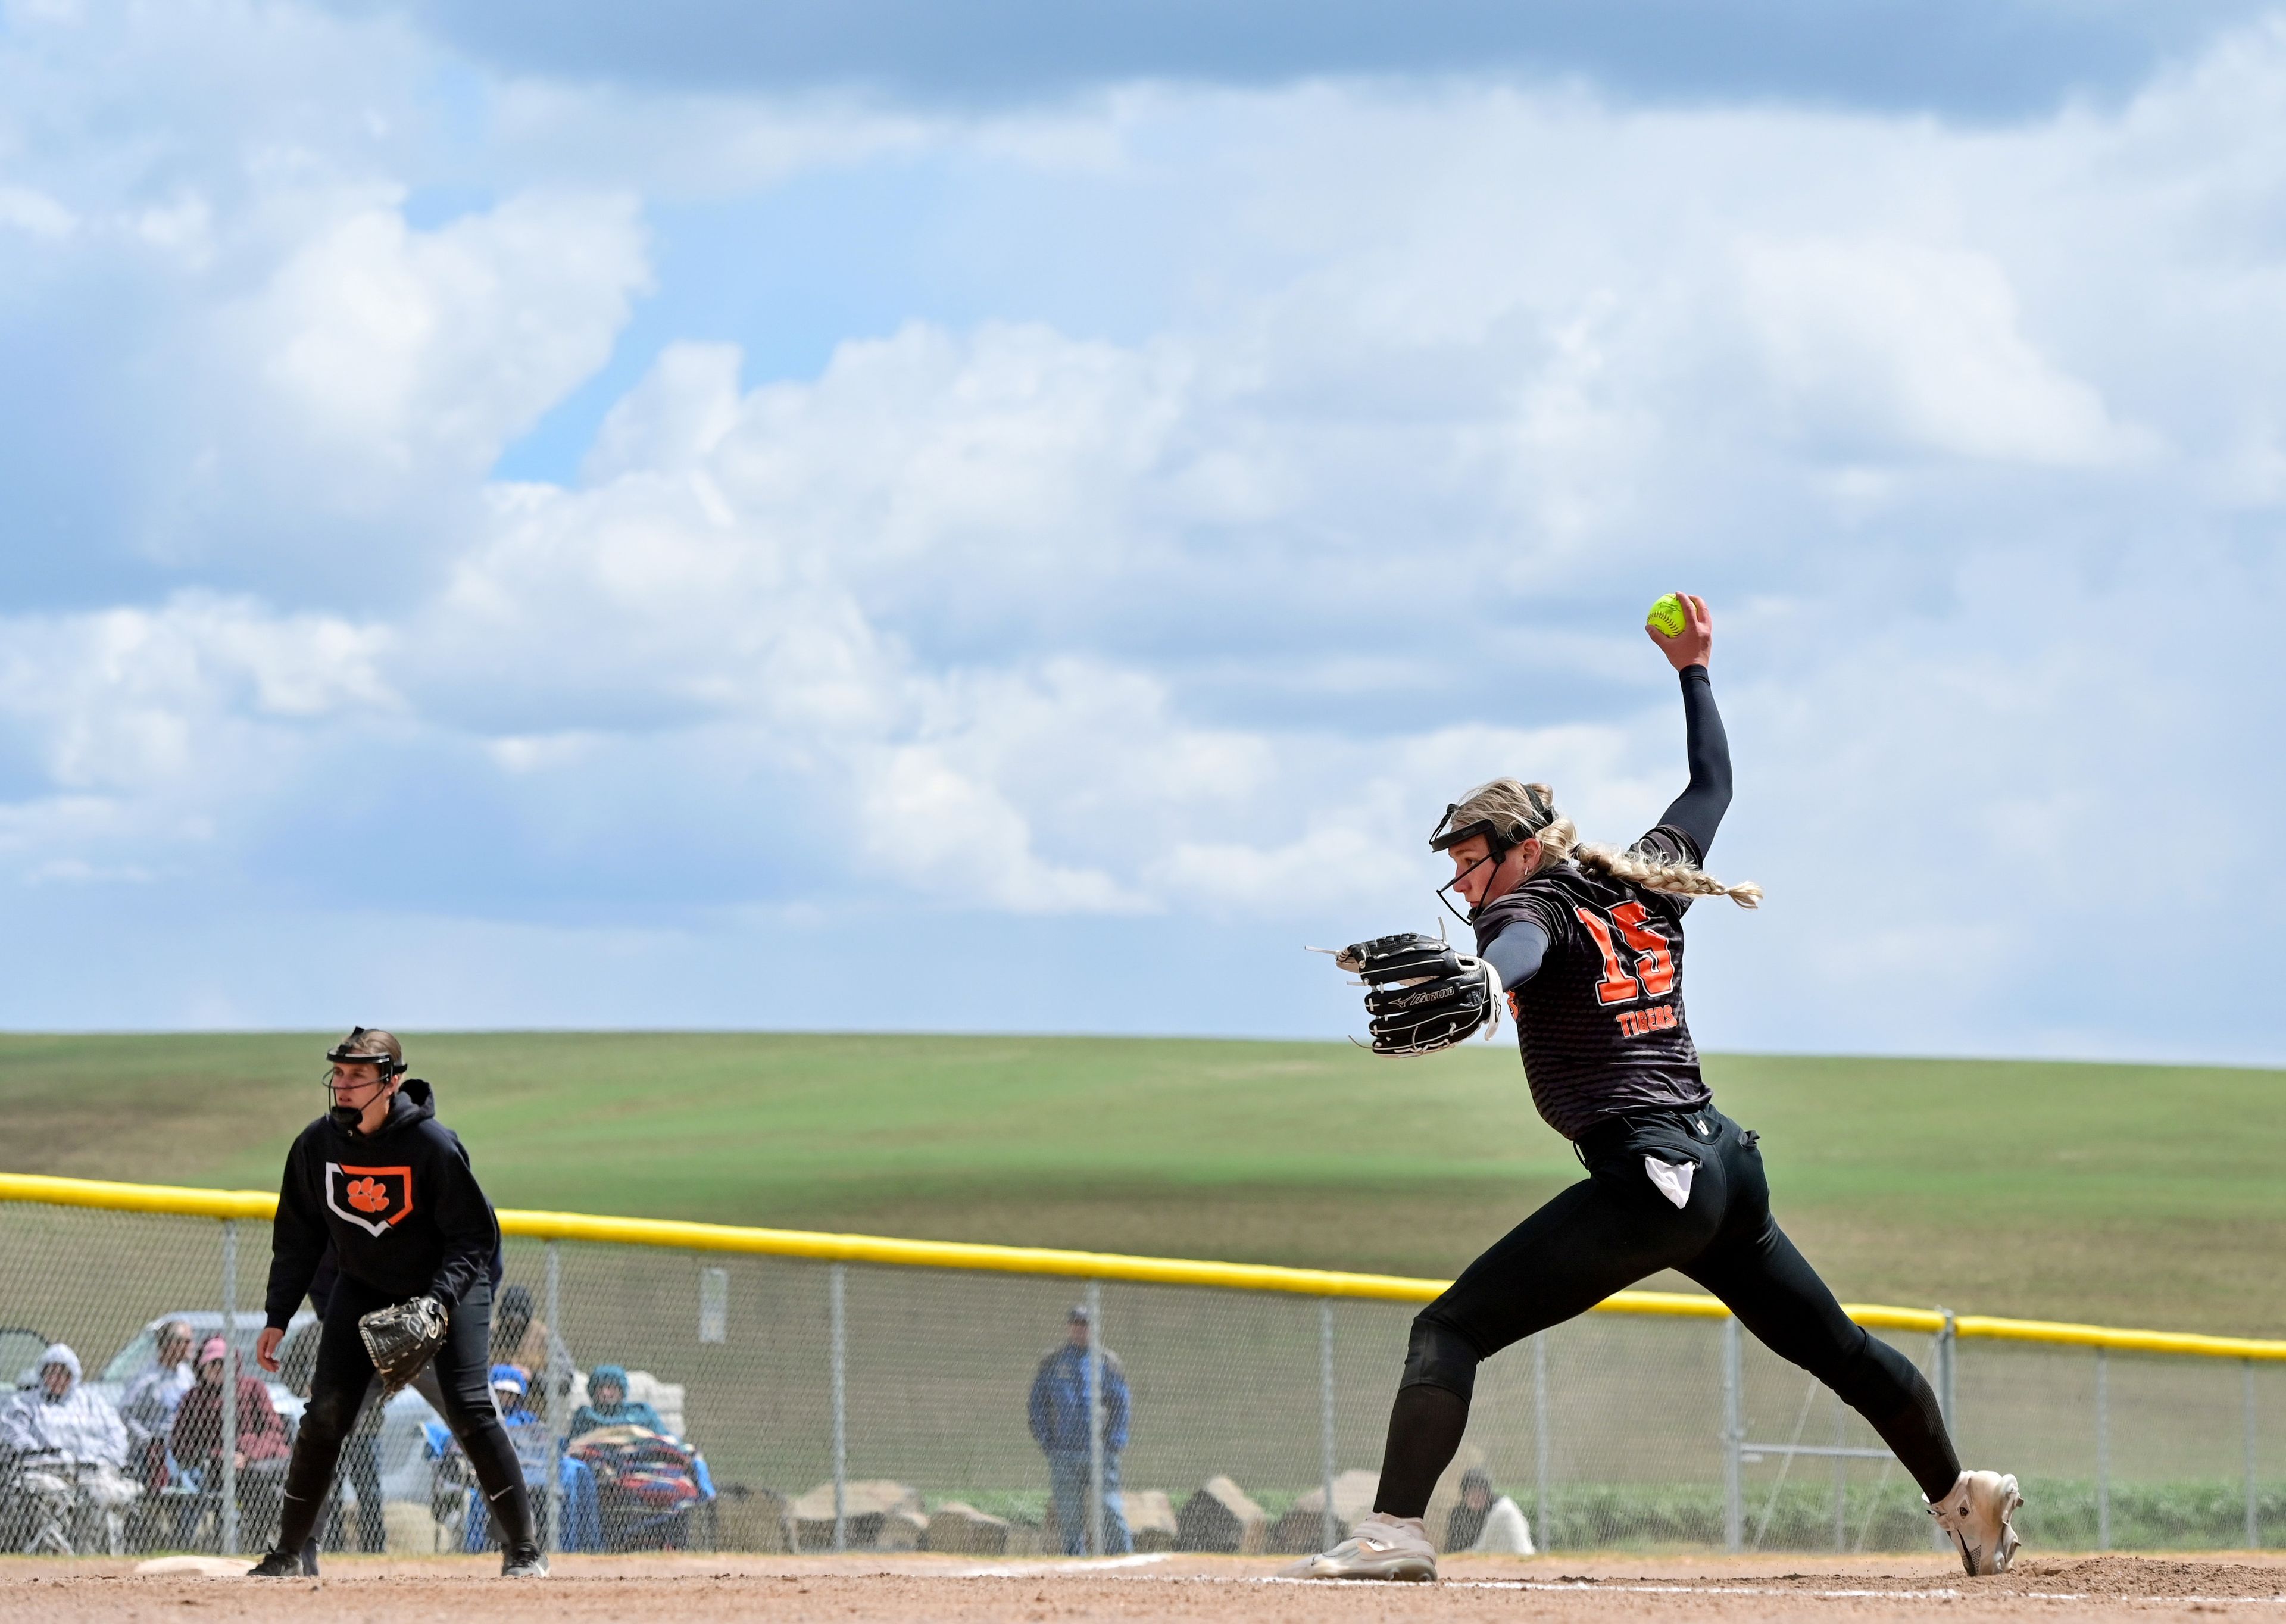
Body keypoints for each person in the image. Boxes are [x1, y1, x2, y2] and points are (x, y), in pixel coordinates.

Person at [1286, 596, 2022, 1583]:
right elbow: (1713, 779)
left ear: (1525, 847)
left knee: (1449, 1327)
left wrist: (1484, 980)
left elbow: (1519, 944)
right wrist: (1696, 665)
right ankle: (1964, 1499)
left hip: (1652, 1176)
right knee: (1839, 1347)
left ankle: (1393, 1535)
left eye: (1472, 860)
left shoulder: (1533, 905)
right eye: (1457, 867)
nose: (1465, 885)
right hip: (1723, 1167)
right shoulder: (1645, 873)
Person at [246, 1027, 546, 1578]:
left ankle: (523, 1551)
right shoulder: (317, 1145)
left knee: (472, 1411)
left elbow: (476, 1238)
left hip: (450, 1287)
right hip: (365, 1287)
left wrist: (437, 1302)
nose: (343, 1085)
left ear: (392, 1082)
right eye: (338, 1074)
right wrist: (277, 1317)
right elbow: (299, 1239)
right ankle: (290, 1553)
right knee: (324, 1416)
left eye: (358, 1076)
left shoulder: (431, 1145)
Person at [0, 1344, 139, 1553]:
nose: (58, 1379)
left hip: (90, 1471)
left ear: (74, 1375)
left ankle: (94, 1559)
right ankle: (57, 1558)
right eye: (52, 1372)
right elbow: (15, 1436)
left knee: (101, 1494)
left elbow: (117, 1435)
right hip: (46, 1470)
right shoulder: (25, 1404)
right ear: (42, 1374)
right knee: (50, 1493)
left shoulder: (93, 1403)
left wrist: (105, 1459)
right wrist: (45, 1455)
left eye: (64, 1373)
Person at [1026, 1306, 1130, 1556]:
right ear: (1069, 1327)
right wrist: (1046, 1440)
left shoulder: (1106, 1362)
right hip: (1064, 1454)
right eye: (1076, 1324)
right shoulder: (1054, 1362)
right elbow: (1037, 1403)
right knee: (1070, 1516)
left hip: (1100, 1454)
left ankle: (1124, 1559)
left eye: (1086, 1324)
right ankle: (1075, 1564)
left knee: (1110, 1509)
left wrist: (1114, 1441)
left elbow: (1121, 1403)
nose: (1080, 1329)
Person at [170, 1336, 291, 1550]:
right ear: (202, 1366)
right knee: (261, 1486)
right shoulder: (193, 1400)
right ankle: (253, 1543)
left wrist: (247, 1454)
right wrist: (220, 1456)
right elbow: (180, 1445)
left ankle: (257, 1541)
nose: (218, 1369)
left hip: (259, 1465)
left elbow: (274, 1432)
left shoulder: (253, 1389)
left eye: (223, 1363)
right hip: (216, 1470)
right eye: (212, 1364)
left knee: (267, 1485)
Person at [117, 1320, 196, 1492]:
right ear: (171, 1345)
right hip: (155, 1454)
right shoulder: (147, 1380)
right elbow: (124, 1414)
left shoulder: (187, 1376)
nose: (193, 1346)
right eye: (187, 1341)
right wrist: (148, 1439)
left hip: (185, 1449)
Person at [1444, 1468, 1533, 1555]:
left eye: (1480, 1492)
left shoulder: (1499, 1510)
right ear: (1465, 1495)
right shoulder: (1459, 1514)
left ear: (1488, 1493)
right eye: (1471, 1493)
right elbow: (1452, 1547)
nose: (1476, 1497)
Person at [567, 1365, 662, 1438]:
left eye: (610, 1387)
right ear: (593, 1391)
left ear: (621, 1391)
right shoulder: (586, 1415)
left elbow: (664, 1438)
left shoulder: (641, 1411)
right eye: (600, 1388)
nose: (605, 1393)